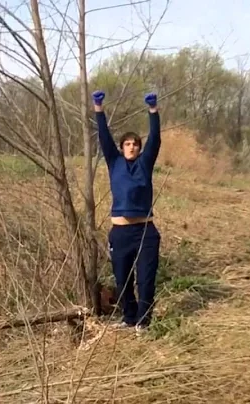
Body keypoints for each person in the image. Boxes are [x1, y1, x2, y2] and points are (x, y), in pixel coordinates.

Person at [92, 90, 162, 335]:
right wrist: (98, 108)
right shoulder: (115, 162)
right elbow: (104, 138)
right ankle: (129, 317)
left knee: (145, 279)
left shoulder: (145, 163)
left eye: (135, 144)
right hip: (120, 233)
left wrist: (153, 111)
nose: (131, 147)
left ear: (140, 149)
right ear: (122, 148)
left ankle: (143, 323)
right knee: (122, 279)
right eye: (128, 144)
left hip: (145, 232)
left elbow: (155, 139)